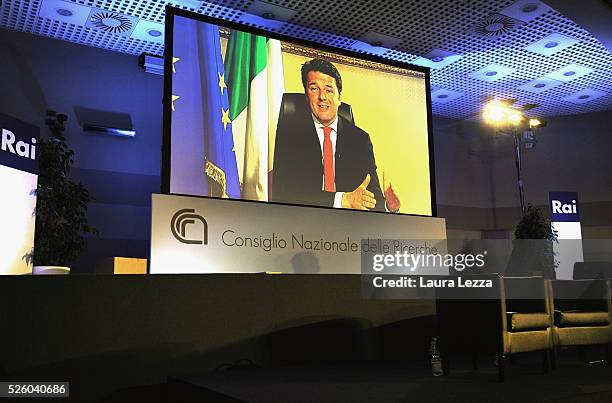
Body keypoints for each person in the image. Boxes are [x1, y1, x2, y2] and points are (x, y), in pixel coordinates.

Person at [272, 58, 400, 212]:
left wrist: (389, 207)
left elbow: (370, 198)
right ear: (306, 95)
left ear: (339, 97)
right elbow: (284, 193)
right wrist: (342, 200)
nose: (322, 97)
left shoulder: (360, 140)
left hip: (349, 228)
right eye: (314, 89)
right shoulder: (290, 134)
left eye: (329, 89)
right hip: (302, 225)